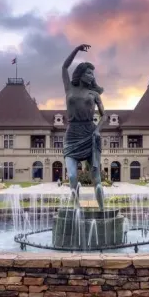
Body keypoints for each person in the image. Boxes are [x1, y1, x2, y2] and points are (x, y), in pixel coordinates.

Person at [62, 44, 105, 211]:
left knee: (97, 178)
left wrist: (97, 130)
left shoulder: (94, 94)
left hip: (90, 134)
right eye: (88, 72)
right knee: (72, 176)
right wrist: (76, 50)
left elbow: (104, 115)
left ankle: (102, 211)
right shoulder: (69, 89)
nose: (91, 75)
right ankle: (77, 211)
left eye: (92, 73)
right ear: (80, 74)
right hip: (72, 134)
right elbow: (64, 67)